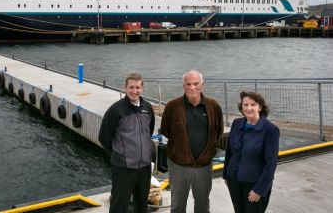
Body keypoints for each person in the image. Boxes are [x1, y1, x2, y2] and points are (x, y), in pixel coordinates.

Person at [160, 70, 224, 213]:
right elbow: (165, 130)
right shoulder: (172, 106)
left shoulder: (214, 106)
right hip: (178, 165)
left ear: (202, 85)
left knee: (202, 205)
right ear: (184, 86)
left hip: (204, 166)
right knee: (177, 206)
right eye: (188, 84)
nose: (192, 87)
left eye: (196, 84)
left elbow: (218, 131)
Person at [98, 72, 155, 213]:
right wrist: (119, 153)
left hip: (144, 166)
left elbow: (149, 131)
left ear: (142, 89)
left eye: (137, 87)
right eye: (131, 87)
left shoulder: (147, 108)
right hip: (123, 167)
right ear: (125, 88)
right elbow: (103, 137)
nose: (134, 91)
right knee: (119, 203)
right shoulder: (116, 109)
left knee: (142, 204)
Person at [223, 92, 280, 213]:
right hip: (234, 180)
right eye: (245, 105)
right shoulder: (237, 123)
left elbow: (271, 163)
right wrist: (226, 175)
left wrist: (260, 189)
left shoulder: (270, 130)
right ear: (241, 107)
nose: (249, 108)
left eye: (253, 105)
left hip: (254, 184)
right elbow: (229, 151)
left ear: (260, 107)